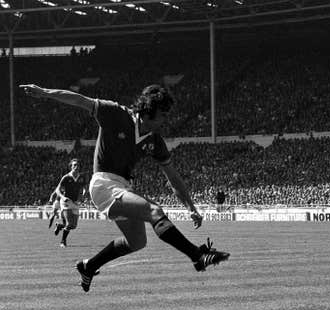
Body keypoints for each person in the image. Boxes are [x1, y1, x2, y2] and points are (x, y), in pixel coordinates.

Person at [20, 83, 230, 292]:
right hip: (103, 184)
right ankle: (197, 256)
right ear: (147, 112)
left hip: (123, 187)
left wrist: (190, 207)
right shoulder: (116, 113)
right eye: (163, 115)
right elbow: (79, 100)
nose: (166, 120)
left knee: (137, 242)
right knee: (154, 211)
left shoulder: (155, 141)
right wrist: (45, 93)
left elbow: (173, 177)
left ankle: (88, 266)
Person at [53, 158, 88, 247]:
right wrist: (63, 197)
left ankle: (60, 226)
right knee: (69, 224)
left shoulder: (82, 177)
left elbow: (85, 187)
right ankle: (63, 242)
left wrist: (84, 195)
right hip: (66, 202)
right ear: (71, 167)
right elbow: (57, 190)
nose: (76, 167)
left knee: (73, 226)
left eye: (78, 165)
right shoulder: (66, 177)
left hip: (75, 202)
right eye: (74, 165)